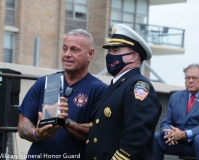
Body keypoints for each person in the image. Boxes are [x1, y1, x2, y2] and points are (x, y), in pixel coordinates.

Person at [18, 29, 108, 159]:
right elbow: (22, 124)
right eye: (65, 49)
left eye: (74, 50)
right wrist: (36, 133)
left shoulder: (100, 90)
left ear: (90, 54)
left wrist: (65, 122)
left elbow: (99, 134)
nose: (67, 54)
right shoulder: (45, 82)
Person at [85, 24, 162, 160]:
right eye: (109, 51)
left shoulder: (138, 86)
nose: (109, 55)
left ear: (133, 57)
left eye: (115, 50)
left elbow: (136, 136)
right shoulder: (119, 84)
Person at [154, 63, 199, 159]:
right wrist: (169, 134)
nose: (190, 81)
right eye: (187, 78)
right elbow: (166, 122)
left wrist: (185, 134)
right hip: (177, 142)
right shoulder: (175, 97)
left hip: (197, 141)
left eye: (195, 78)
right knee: (156, 138)